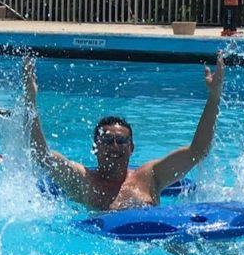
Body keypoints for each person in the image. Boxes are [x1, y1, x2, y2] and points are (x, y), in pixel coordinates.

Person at [22, 53, 225, 211]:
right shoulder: (82, 180)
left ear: (131, 147)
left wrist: (214, 97)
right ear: (96, 147)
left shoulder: (150, 176)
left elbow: (198, 151)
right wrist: (30, 99)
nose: (115, 146)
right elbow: (41, 156)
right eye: (107, 140)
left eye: (121, 140)